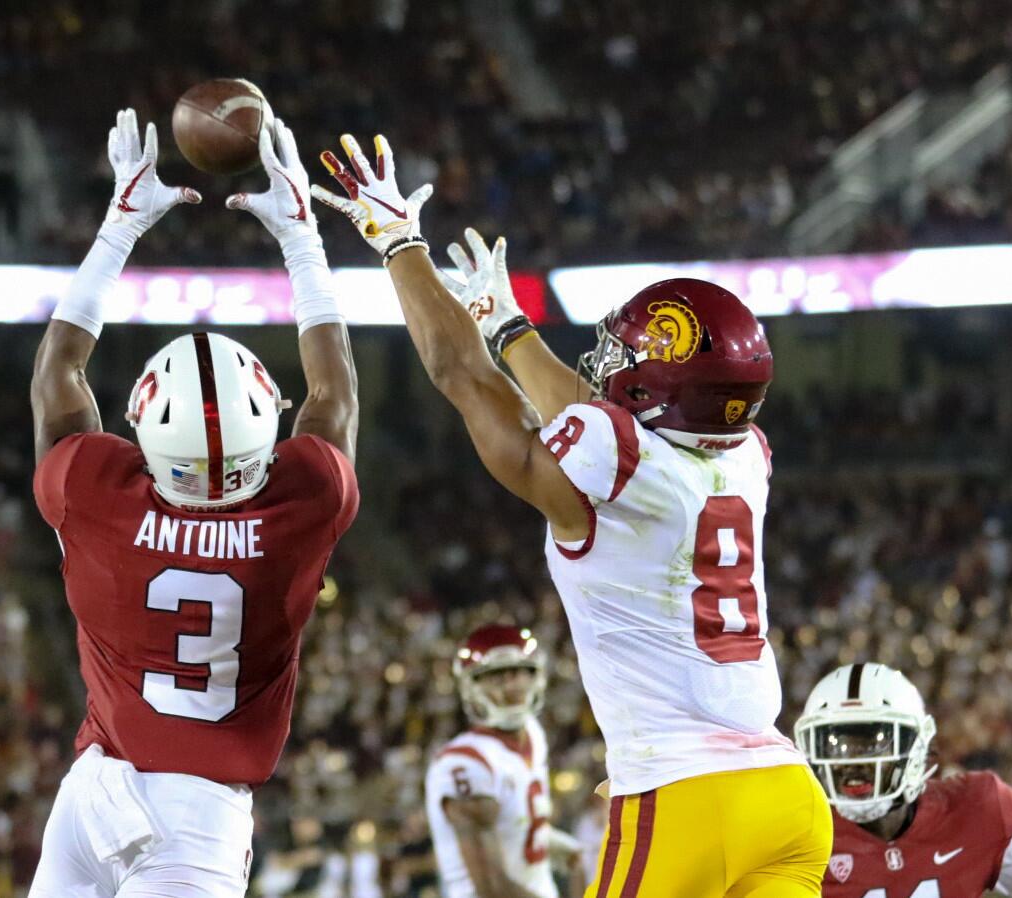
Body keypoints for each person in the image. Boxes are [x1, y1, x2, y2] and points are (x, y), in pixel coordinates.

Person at [312, 132, 829, 897]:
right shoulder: (745, 451)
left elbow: (463, 376)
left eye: (625, 359)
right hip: (787, 800)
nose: (607, 368)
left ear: (658, 389)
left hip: (685, 797)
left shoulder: (617, 462)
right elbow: (600, 422)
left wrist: (400, 244)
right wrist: (509, 327)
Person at [28, 109, 359, 898]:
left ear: (140, 423)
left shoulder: (94, 492)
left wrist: (118, 228)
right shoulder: (309, 496)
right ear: (268, 420)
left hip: (94, 788)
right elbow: (333, 394)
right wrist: (301, 239)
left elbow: (58, 377)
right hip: (200, 814)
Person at [796, 662, 1012, 897]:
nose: (852, 763)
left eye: (875, 745)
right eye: (836, 747)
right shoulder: (797, 839)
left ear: (916, 746)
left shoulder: (978, 809)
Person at [425, 624, 584, 898]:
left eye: (520, 672)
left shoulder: (533, 735)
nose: (512, 685)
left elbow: (515, 822)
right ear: (470, 686)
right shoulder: (464, 764)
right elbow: (492, 889)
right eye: (496, 676)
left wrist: (551, 842)